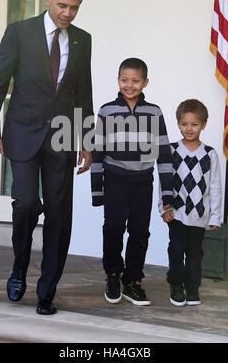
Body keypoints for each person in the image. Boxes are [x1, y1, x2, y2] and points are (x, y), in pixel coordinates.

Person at [0, 0, 93, 315]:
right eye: (62, 5)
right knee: (26, 203)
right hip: (23, 131)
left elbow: (83, 92)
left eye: (74, 7)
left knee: (59, 214)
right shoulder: (19, 33)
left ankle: (47, 290)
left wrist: (87, 141)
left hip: (62, 135)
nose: (67, 13)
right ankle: (19, 267)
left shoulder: (82, 39)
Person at [91, 58, 173, 306]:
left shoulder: (154, 111)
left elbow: (164, 153)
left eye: (135, 81)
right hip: (115, 179)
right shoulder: (107, 110)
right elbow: (98, 151)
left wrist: (167, 194)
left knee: (139, 232)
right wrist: (97, 190)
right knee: (113, 228)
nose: (129, 85)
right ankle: (113, 275)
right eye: (124, 80)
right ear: (118, 80)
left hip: (142, 182)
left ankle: (133, 281)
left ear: (145, 82)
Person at [158, 99, 221, 306]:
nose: (189, 128)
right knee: (176, 249)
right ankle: (176, 284)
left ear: (203, 124)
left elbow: (215, 188)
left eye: (194, 124)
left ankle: (192, 287)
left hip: (199, 214)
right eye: (184, 124)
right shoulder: (172, 150)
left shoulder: (209, 154)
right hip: (176, 212)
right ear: (178, 124)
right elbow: (164, 181)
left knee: (194, 253)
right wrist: (163, 208)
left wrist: (215, 216)